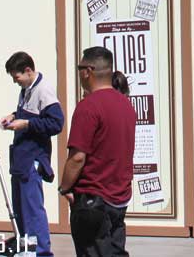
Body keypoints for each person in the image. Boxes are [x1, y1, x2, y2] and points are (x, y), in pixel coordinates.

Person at [59, 46, 136, 257]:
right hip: (119, 198)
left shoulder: (88, 107)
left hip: (93, 199)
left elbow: (77, 158)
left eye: (79, 68)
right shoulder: (126, 106)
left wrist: (64, 188)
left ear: (88, 71)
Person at [1, 52, 66, 257]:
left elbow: (56, 123)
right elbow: (29, 113)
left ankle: (41, 252)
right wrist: (14, 115)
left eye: (16, 77)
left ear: (28, 71)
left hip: (32, 159)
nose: (15, 81)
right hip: (20, 159)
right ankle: (25, 247)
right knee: (20, 208)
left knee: (33, 209)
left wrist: (26, 123)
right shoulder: (26, 89)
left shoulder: (44, 91)